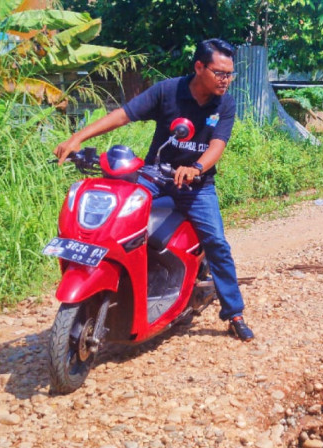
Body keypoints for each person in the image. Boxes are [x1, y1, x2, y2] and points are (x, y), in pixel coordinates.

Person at [54, 38, 254, 342]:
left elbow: (218, 144)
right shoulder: (168, 91)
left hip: (196, 185)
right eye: (219, 73)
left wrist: (197, 168)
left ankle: (234, 312)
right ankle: (121, 289)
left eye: (230, 74)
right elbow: (123, 115)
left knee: (216, 242)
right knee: (120, 222)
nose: (226, 80)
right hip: (155, 176)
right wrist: (77, 138)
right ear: (199, 67)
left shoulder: (224, 101)